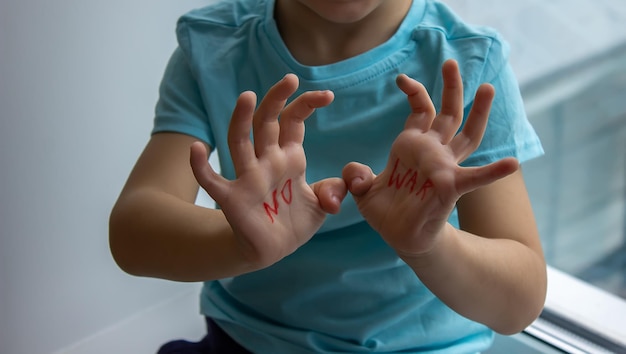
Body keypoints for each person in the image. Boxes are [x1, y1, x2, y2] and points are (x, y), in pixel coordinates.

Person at [108, 0, 548, 352]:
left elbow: (518, 304)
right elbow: (134, 232)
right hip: (248, 340)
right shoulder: (211, 45)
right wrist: (239, 243)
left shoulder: (471, 63)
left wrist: (431, 245)